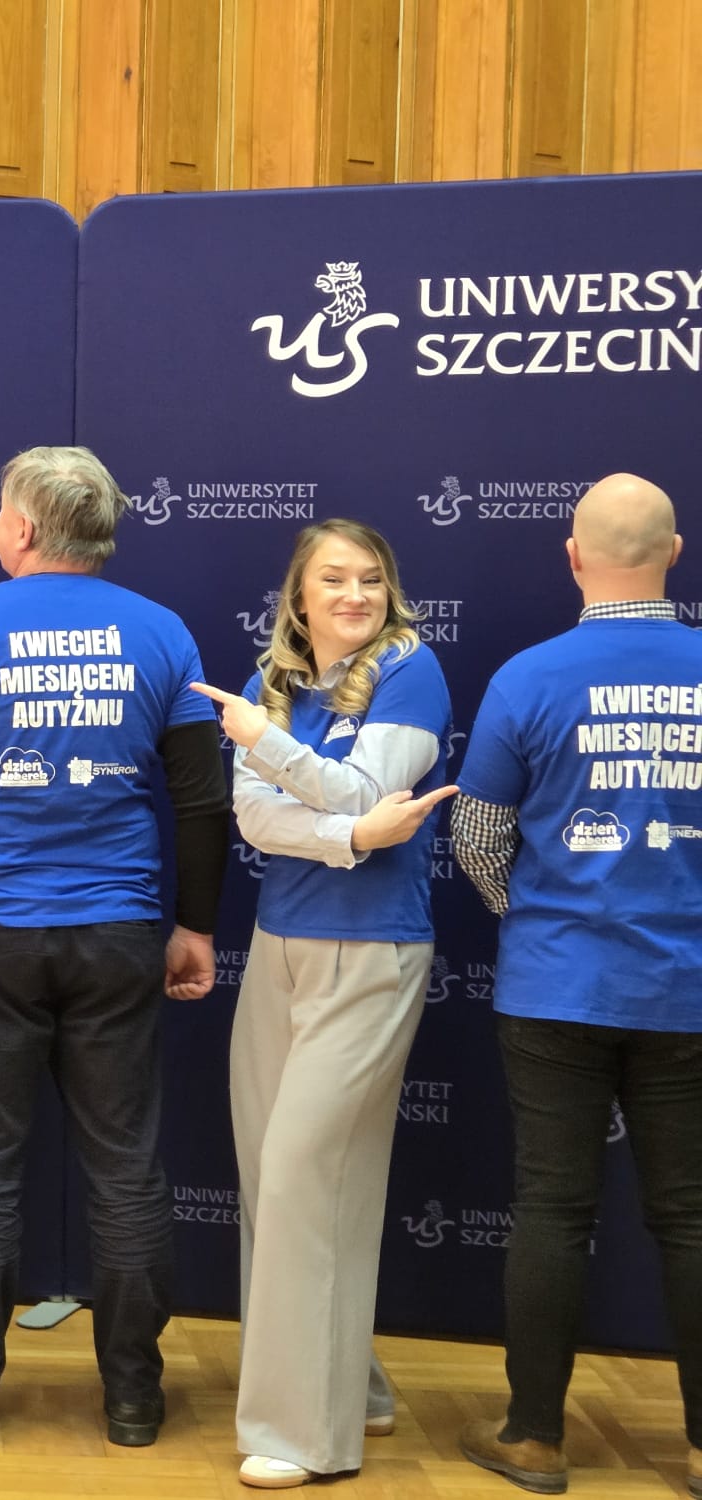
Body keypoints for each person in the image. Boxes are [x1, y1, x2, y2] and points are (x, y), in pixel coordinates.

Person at [0, 445, 231, 1451]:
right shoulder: (161, 632)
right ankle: (133, 1398)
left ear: (24, 528)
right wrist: (196, 925)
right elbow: (201, 802)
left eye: (1, 511)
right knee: (125, 1169)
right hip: (118, 933)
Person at [450, 473, 702, 1499]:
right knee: (690, 1217)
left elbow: (475, 835)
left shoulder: (527, 677)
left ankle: (534, 1439)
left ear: (571, 557)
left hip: (555, 985)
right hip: (688, 989)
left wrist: (537, 919)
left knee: (552, 1210)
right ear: (673, 553)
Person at [190, 519, 455, 1490]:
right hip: (279, 946)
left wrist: (271, 751)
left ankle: (305, 1436)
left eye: (369, 579)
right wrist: (349, 836)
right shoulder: (275, 681)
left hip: (372, 948)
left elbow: (362, 786)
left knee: (309, 1175)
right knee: (273, 1176)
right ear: (298, 597)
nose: (354, 595)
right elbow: (258, 817)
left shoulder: (410, 668)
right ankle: (354, 1386)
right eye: (333, 580)